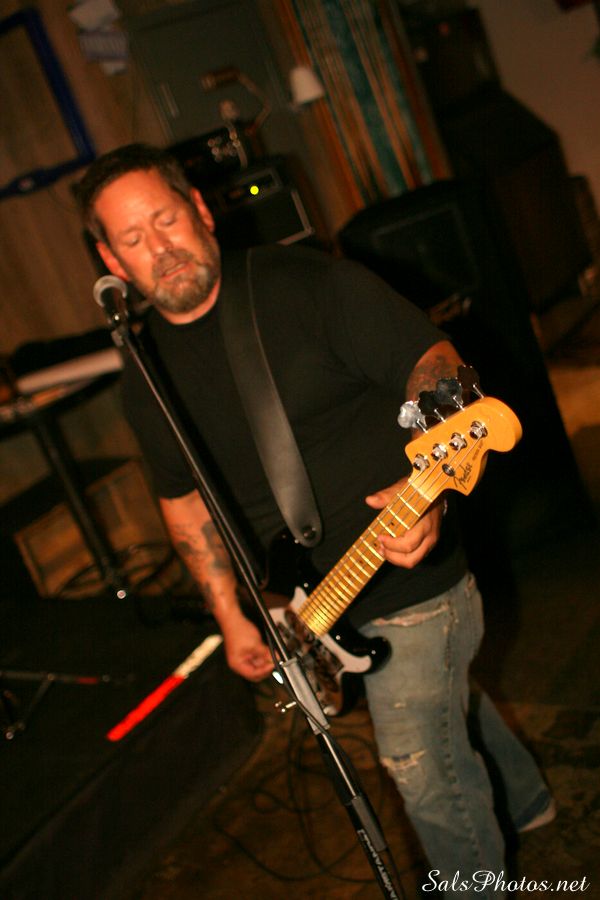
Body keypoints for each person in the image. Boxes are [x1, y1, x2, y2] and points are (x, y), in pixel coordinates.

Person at [76, 144, 554, 894]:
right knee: (442, 708)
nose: (159, 248)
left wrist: (430, 493)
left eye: (166, 220)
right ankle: (527, 804)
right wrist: (231, 615)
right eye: (133, 238)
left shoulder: (307, 285)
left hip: (407, 581)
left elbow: (434, 363)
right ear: (111, 261)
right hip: (304, 604)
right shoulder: (145, 373)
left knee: (416, 763)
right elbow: (182, 499)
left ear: (200, 210)